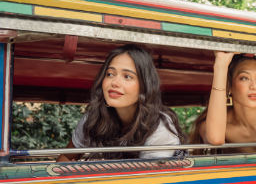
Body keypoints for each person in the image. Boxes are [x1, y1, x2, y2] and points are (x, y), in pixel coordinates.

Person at [57, 44, 186, 162]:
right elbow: (66, 157)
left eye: (127, 76)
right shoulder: (94, 118)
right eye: (110, 74)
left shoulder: (159, 127)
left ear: (145, 86)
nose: (114, 82)